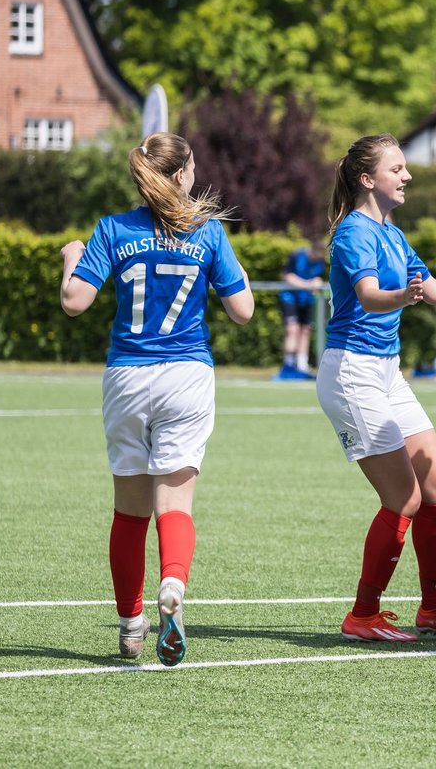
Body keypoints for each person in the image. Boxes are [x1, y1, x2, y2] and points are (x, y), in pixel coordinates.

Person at [58, 132, 254, 666]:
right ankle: (173, 584)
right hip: (187, 375)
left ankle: (129, 628)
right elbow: (244, 311)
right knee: (176, 504)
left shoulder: (112, 229)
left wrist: (72, 257)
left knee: (129, 512)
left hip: (127, 376)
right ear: (183, 175)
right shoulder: (207, 231)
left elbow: (75, 301)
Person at [317, 133, 436, 643]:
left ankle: (433, 607)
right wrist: (403, 295)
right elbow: (371, 298)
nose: (407, 175)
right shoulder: (354, 233)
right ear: (368, 179)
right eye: (397, 168)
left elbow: (432, 290)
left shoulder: (392, 232)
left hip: (386, 372)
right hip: (352, 374)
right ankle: (362, 615)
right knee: (405, 497)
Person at [276, 238, 326, 380]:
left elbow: (317, 278)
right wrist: (308, 284)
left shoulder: (320, 262)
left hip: (307, 300)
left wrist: (316, 282)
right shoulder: (297, 255)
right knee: (292, 329)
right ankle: (289, 364)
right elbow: (288, 276)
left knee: (305, 331)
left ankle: (302, 365)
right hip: (290, 298)